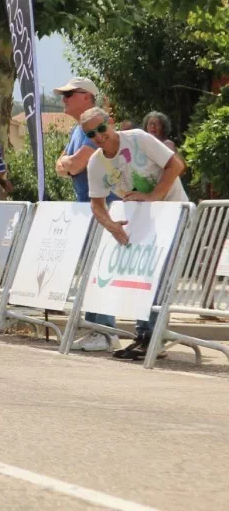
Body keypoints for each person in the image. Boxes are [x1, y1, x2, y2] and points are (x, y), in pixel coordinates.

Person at [81, 106, 188, 361]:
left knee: (159, 278)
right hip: (140, 222)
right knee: (144, 278)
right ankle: (145, 336)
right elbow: (97, 203)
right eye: (91, 134)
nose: (98, 136)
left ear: (111, 122)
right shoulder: (96, 162)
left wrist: (153, 196)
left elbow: (176, 165)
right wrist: (111, 225)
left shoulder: (139, 138)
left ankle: (153, 337)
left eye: (101, 128)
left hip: (172, 214)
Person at [51, 77, 120, 351]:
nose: (63, 99)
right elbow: (61, 164)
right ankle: (98, 329)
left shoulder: (95, 127)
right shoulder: (78, 129)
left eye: (69, 94)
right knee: (93, 271)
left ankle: (104, 331)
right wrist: (68, 163)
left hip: (104, 208)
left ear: (86, 96)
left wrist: (68, 163)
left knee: (100, 270)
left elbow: (75, 164)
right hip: (93, 208)